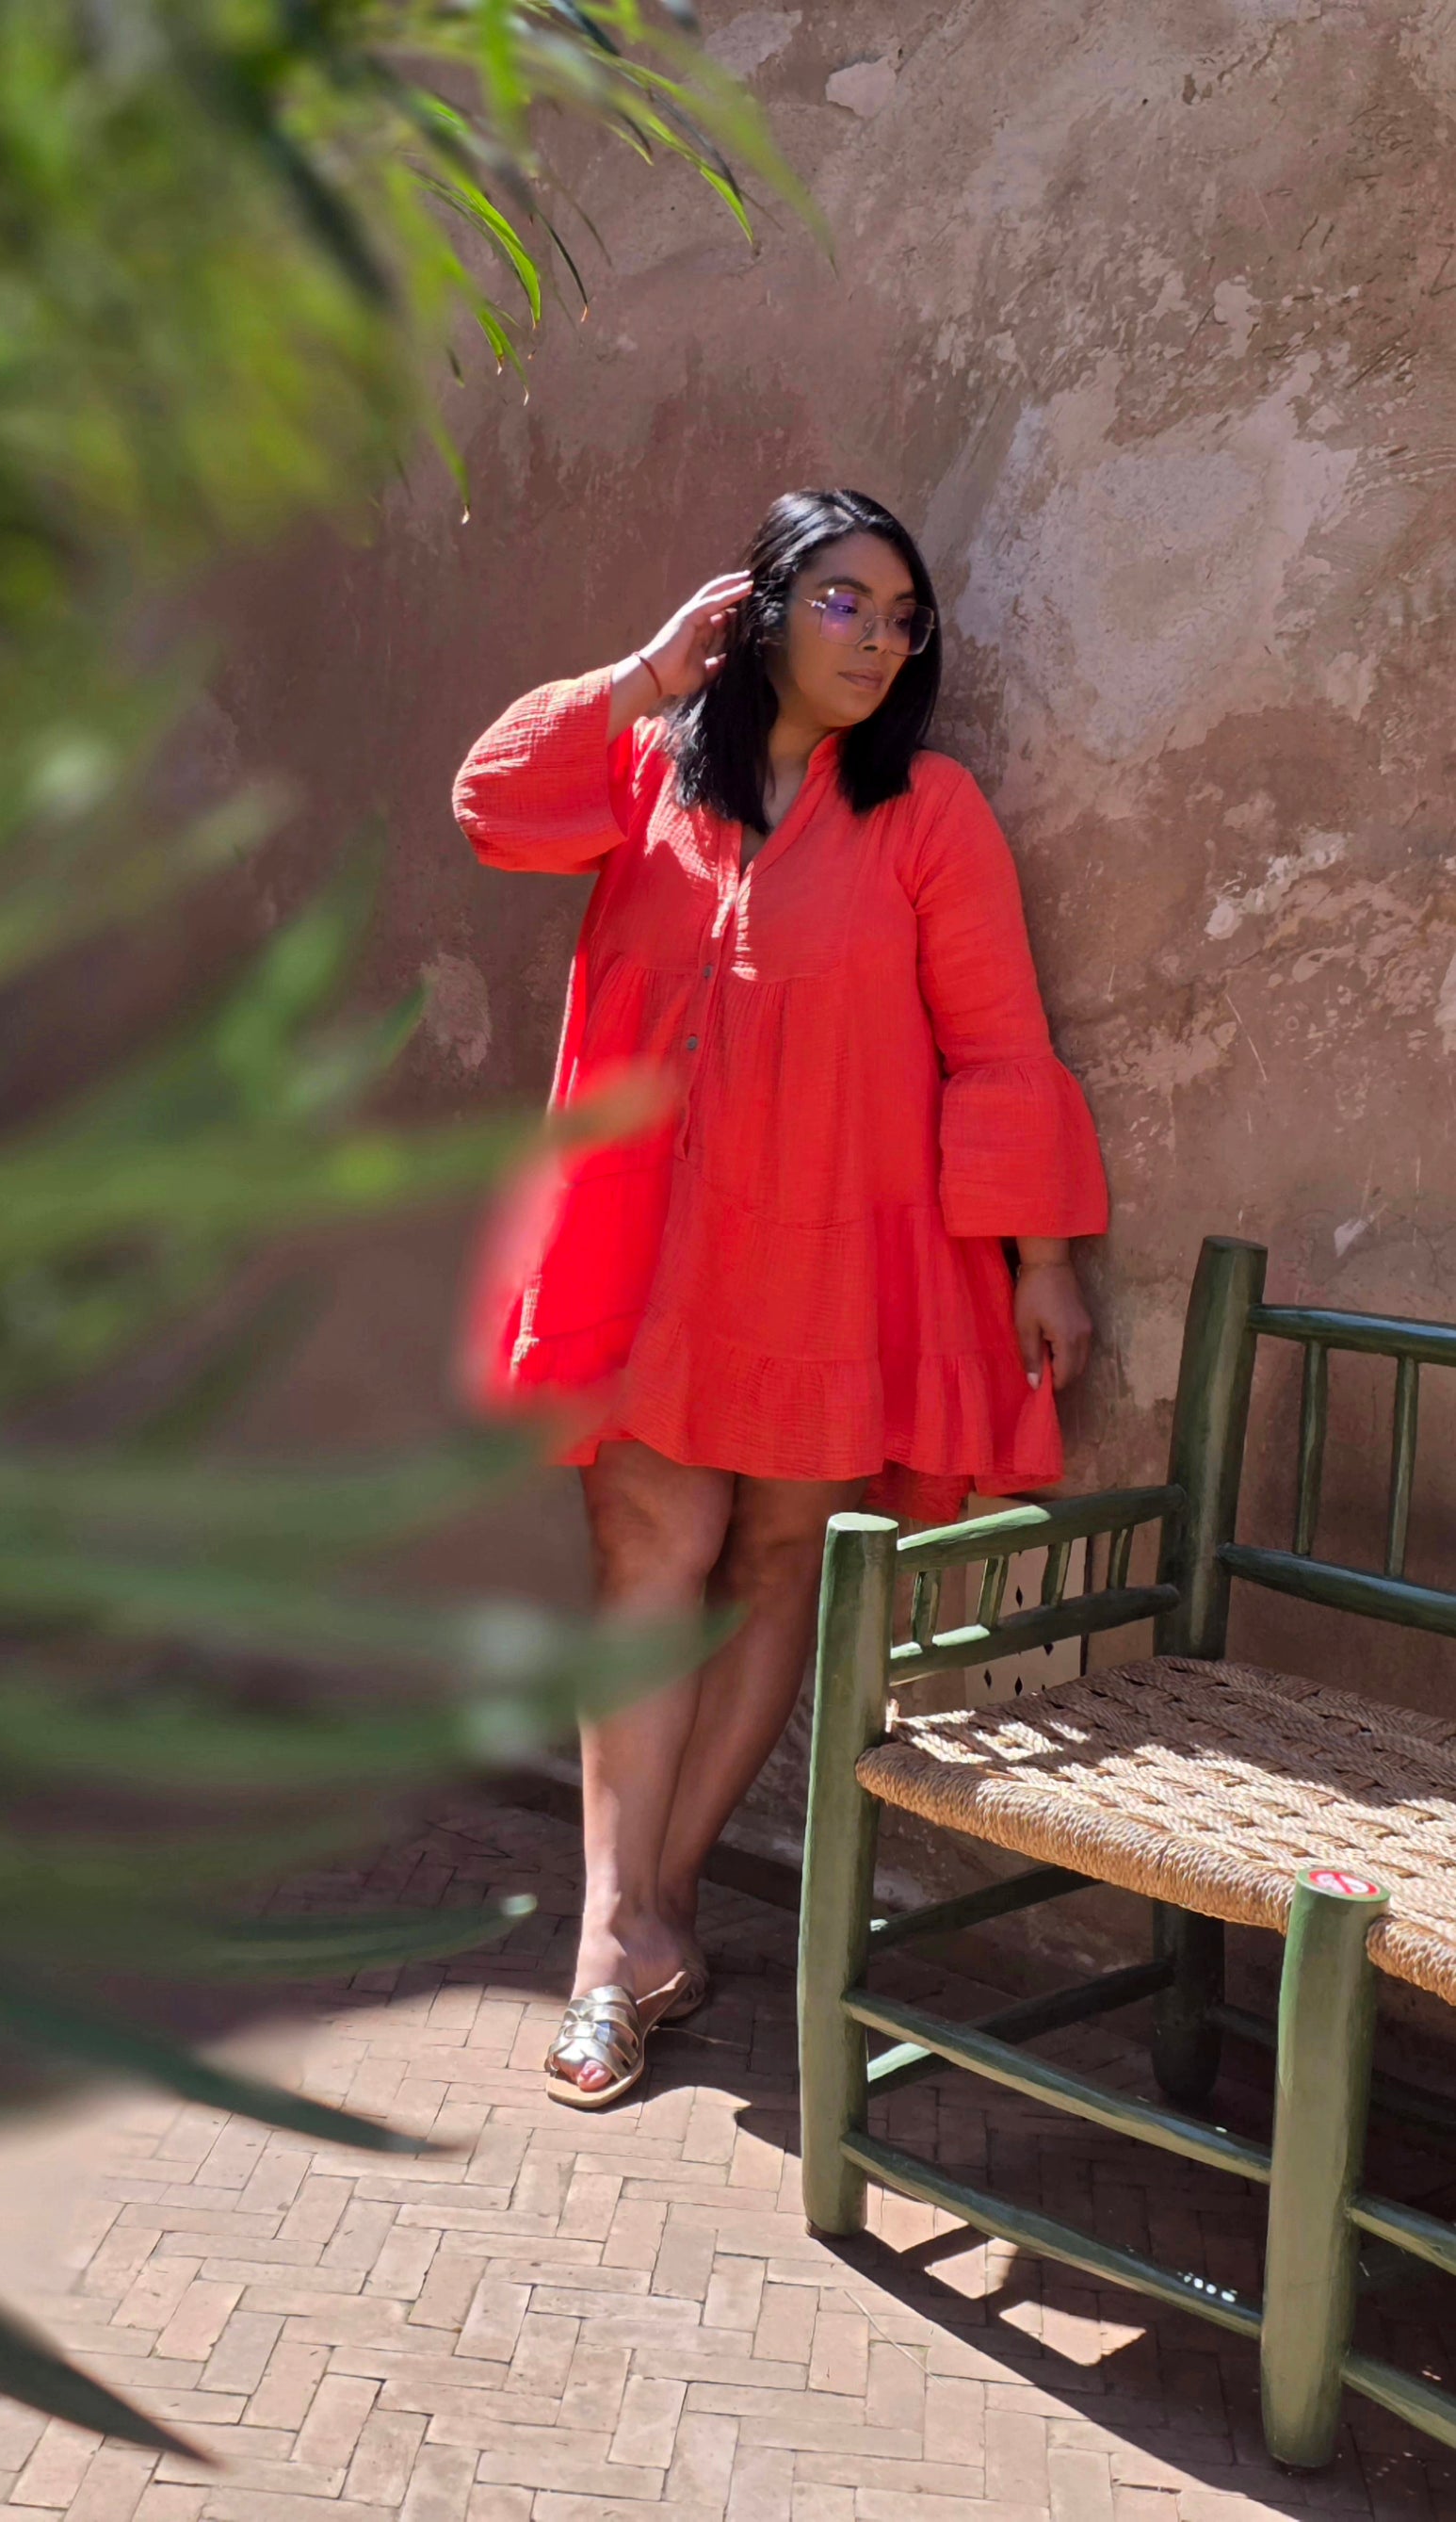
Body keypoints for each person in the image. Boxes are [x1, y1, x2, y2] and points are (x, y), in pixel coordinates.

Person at [451, 488, 1108, 2107]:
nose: (879, 640)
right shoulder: (642, 774)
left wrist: (1040, 1257)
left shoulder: (927, 811)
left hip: (830, 1254)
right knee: (645, 1549)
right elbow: (492, 804)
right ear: (756, 609)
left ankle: (652, 1912)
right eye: (841, 602)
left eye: (902, 618)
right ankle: (611, 1936)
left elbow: (995, 1040)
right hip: (650, 1248)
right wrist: (639, 674)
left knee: (768, 1556)